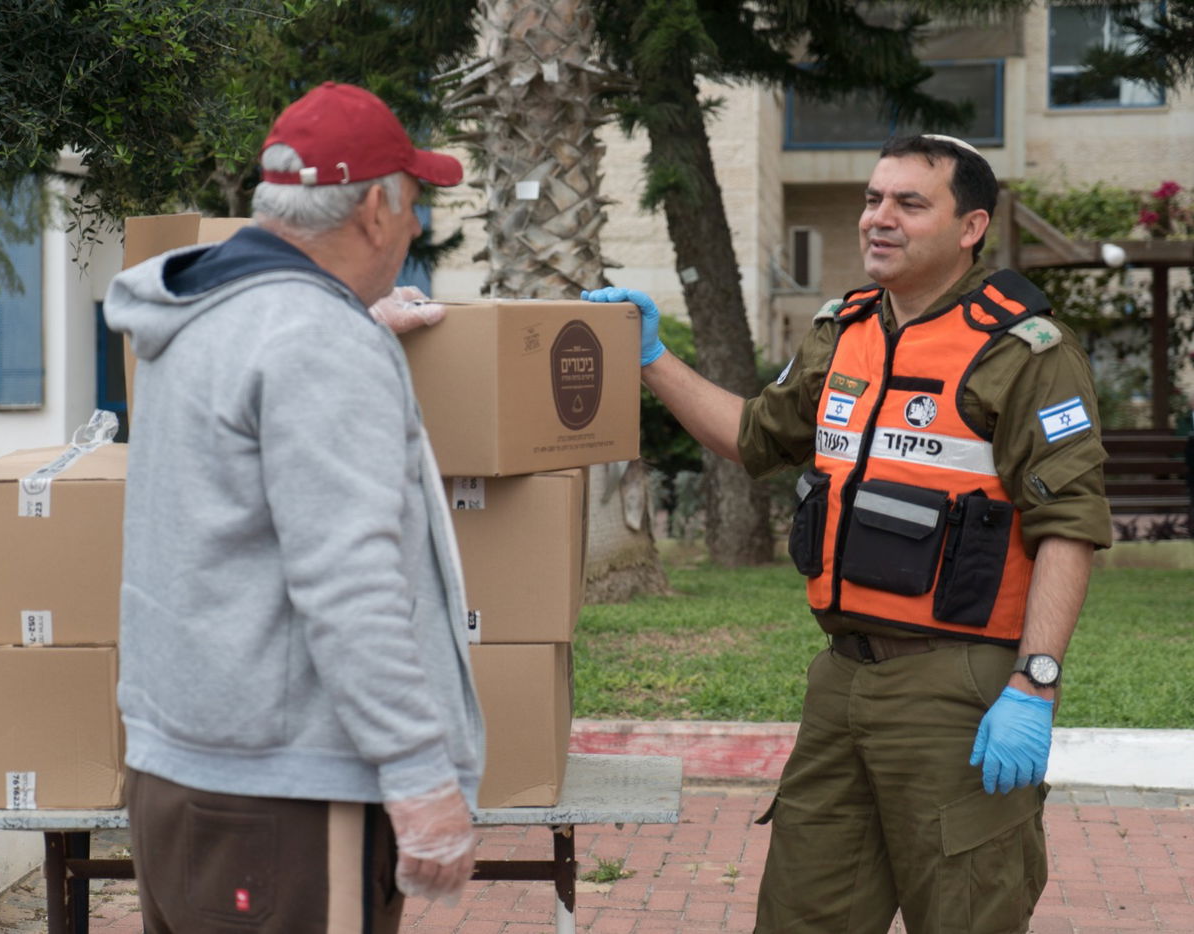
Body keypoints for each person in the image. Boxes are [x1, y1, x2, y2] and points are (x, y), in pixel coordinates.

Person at [586, 134, 1111, 933]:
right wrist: (649, 357)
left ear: (971, 227)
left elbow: (1069, 524)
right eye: (872, 199)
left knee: (966, 914)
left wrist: (1034, 684)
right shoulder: (845, 332)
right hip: (841, 682)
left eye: (908, 203)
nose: (879, 219)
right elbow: (755, 437)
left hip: (958, 687)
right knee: (805, 914)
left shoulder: (1024, 351)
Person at [104, 82, 484, 934]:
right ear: (376, 211)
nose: (419, 226)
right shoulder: (316, 344)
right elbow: (349, 585)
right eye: (416, 202)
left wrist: (354, 330)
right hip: (289, 800)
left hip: (183, 779)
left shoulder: (204, 312)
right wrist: (424, 782)